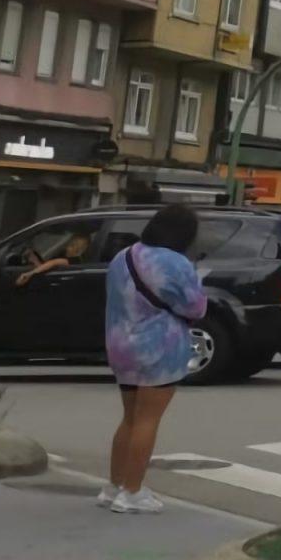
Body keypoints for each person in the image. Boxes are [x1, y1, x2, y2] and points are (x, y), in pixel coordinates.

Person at [101, 207, 208, 515]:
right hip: (159, 347)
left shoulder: (122, 257)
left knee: (129, 418)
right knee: (148, 420)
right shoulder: (176, 263)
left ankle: (114, 486)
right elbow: (195, 307)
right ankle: (132, 493)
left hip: (121, 345)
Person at [16, 227, 92, 286]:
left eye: (71, 245)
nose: (66, 247)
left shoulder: (75, 261)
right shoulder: (72, 258)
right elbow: (46, 269)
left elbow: (54, 263)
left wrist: (29, 274)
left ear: (77, 249)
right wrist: (35, 260)